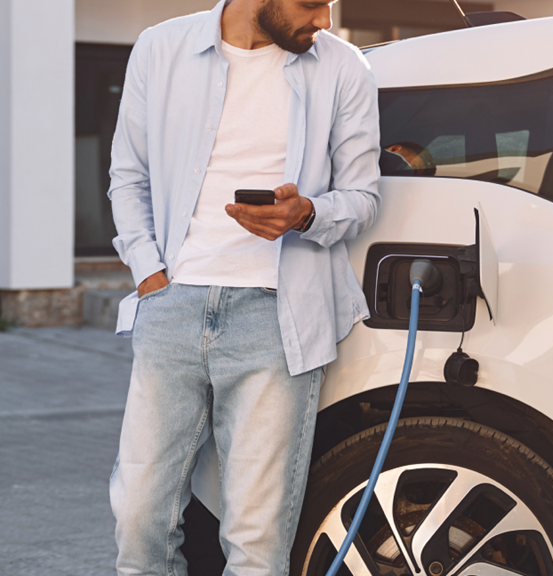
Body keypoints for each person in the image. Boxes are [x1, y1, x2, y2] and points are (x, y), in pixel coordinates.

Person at [105, 0, 381, 574]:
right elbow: (128, 175)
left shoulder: (344, 67)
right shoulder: (160, 49)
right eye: (311, 4)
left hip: (279, 321)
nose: (324, 20)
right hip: (171, 307)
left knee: (256, 542)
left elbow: (363, 197)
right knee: (138, 521)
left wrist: (306, 213)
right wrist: (150, 273)